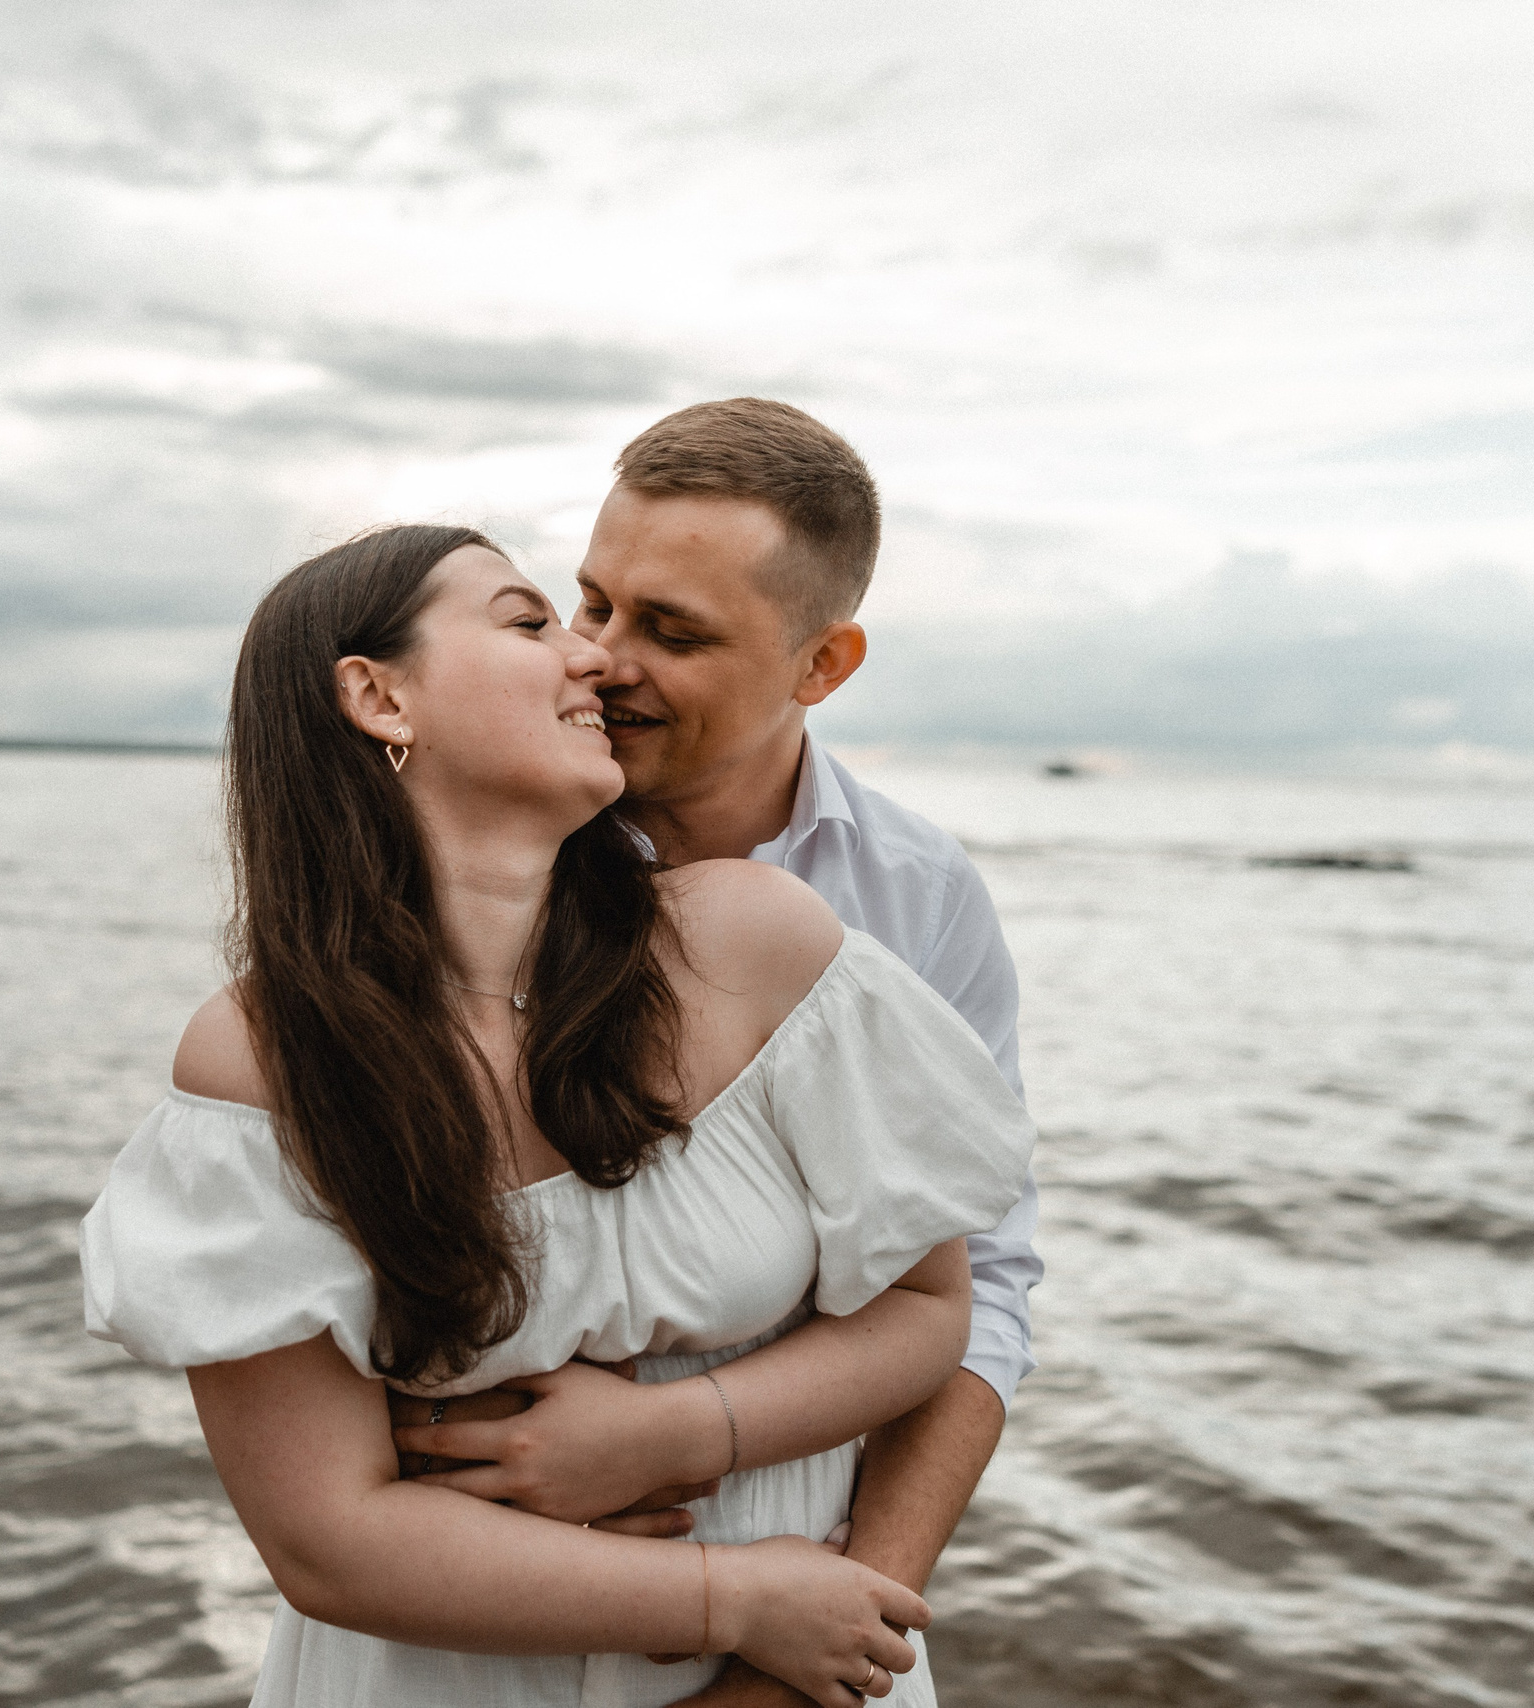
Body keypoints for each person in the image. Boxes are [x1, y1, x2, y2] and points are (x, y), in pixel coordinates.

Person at [80, 523, 1034, 1705]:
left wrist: (685, 1434)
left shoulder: (755, 941)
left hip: (806, 1670)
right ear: (379, 698)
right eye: (531, 621)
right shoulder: (266, 1059)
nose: (593, 658)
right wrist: (730, 1596)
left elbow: (937, 1304)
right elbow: (324, 1538)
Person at [387, 399, 1044, 1708]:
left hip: (811, 1619)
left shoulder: (913, 898)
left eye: (673, 632)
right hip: (474, 1611)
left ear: (821, 665)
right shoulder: (473, 850)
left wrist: (821, 1658)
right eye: (592, 603)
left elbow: (987, 1284)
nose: (600, 658)